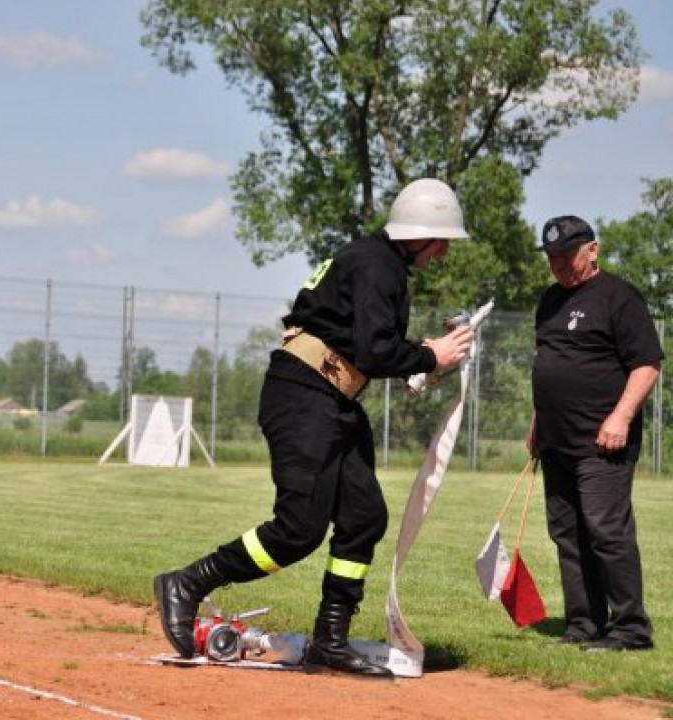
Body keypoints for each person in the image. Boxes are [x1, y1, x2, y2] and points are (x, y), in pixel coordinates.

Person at [154, 178, 474, 678]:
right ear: (423, 234)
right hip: (304, 395)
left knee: (364, 516)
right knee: (297, 529)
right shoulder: (379, 267)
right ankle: (188, 582)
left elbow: (364, 344)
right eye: (445, 241)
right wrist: (432, 354)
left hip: (331, 397)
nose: (446, 252)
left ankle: (330, 640)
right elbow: (373, 351)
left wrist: (421, 358)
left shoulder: (375, 261)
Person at [528, 215, 662, 652]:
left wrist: (620, 418)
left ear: (593, 249)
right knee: (567, 534)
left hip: (602, 441)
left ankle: (630, 629)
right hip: (555, 440)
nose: (559, 263)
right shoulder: (548, 301)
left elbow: (646, 364)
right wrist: (537, 423)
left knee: (606, 529)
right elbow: (547, 365)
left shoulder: (619, 297)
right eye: (552, 257)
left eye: (567, 254)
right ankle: (583, 624)